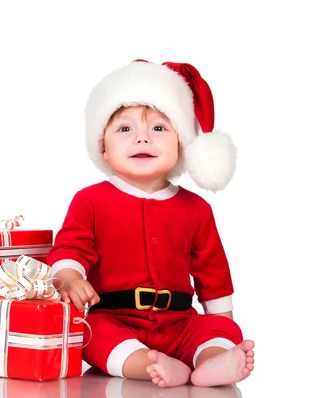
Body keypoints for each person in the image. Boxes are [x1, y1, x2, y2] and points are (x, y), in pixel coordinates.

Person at [47, 59, 255, 388]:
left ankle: (212, 359)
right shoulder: (90, 200)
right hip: (114, 318)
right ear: (103, 146)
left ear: (181, 145)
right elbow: (70, 245)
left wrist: (221, 327)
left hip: (181, 322)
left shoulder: (195, 208)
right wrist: (69, 277)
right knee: (89, 334)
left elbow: (212, 271)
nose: (142, 139)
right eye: (125, 129)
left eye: (159, 128)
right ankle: (150, 365)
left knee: (220, 329)